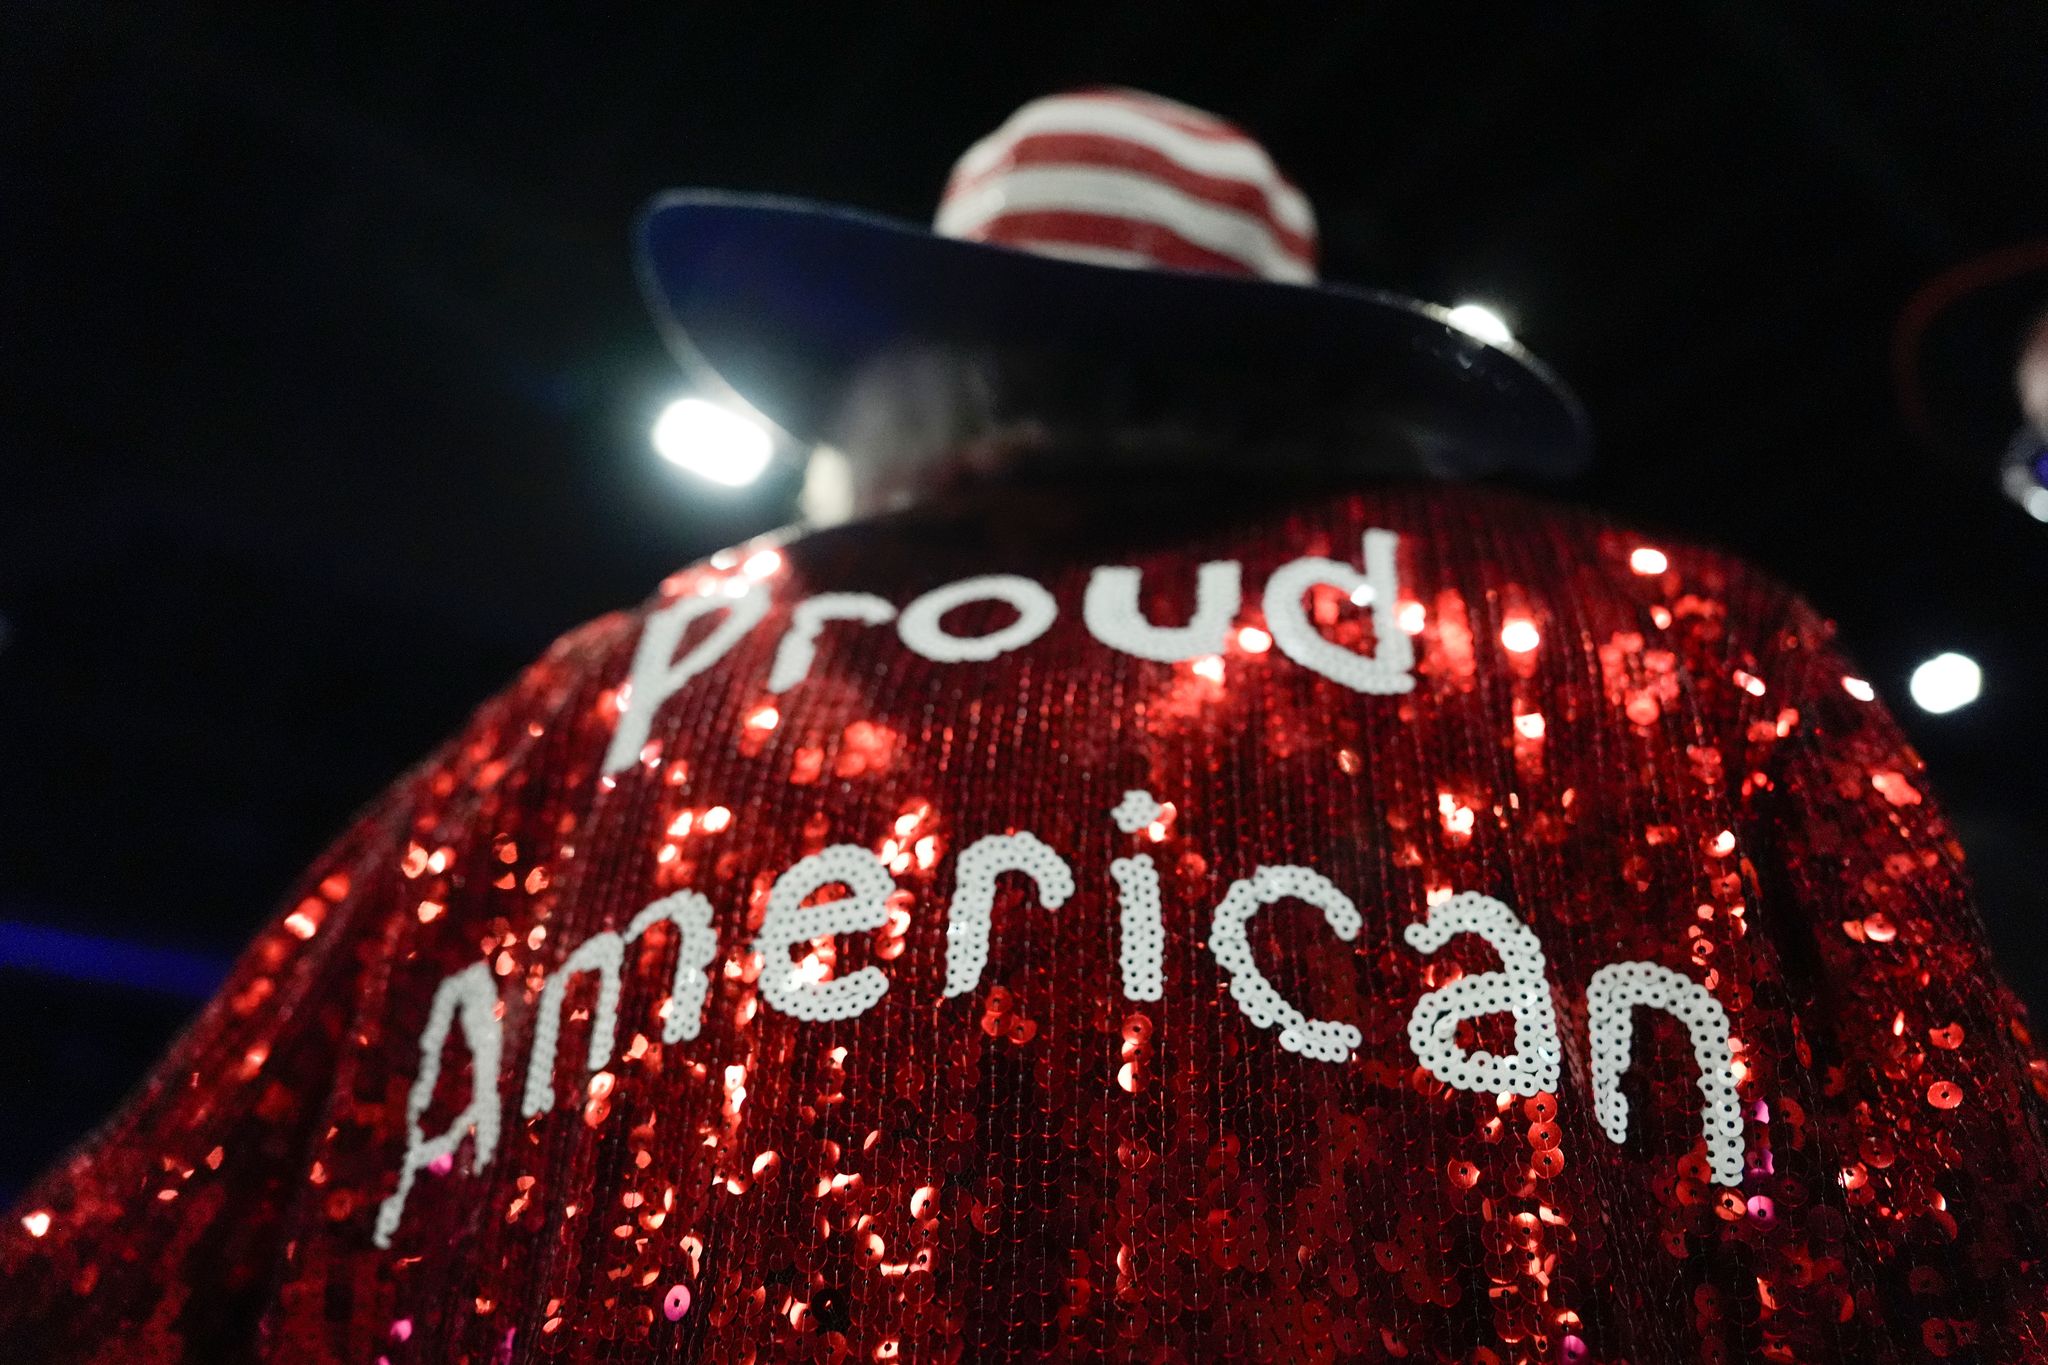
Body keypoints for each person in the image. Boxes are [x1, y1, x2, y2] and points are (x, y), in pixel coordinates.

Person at [7, 88, 2047, 1363]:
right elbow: (1974, 1211)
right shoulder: (1664, 632)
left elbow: (146, 1250)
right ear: (1320, 374)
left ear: (884, 370)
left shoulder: (615, 689)